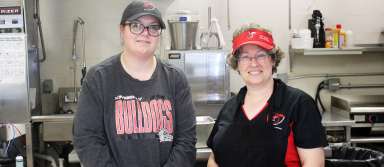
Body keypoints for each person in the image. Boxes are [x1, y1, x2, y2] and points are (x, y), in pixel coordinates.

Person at [73, 1, 196, 167]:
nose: (145, 33)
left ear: (159, 35)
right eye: (136, 25)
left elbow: (186, 141)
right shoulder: (98, 79)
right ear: (122, 30)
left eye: (153, 27)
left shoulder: (176, 79)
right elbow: (87, 139)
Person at [207, 24, 327, 167]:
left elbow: (314, 163)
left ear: (273, 60)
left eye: (261, 55)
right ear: (237, 64)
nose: (253, 63)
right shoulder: (229, 107)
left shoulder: (298, 104)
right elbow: (214, 159)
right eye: (245, 56)